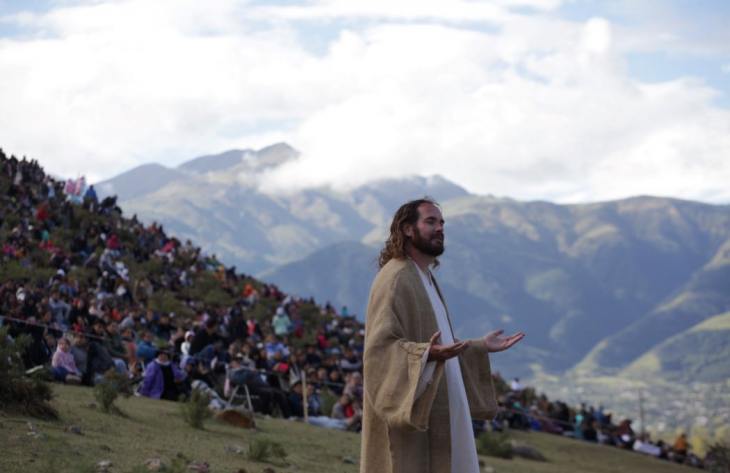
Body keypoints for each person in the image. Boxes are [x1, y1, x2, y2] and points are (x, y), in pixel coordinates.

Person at [360, 198, 524, 473]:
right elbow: (379, 350)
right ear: (408, 229)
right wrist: (427, 354)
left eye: (442, 222)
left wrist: (478, 346)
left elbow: (440, 343)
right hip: (413, 410)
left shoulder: (424, 277)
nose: (440, 228)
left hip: (444, 406)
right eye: (430, 221)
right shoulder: (396, 278)